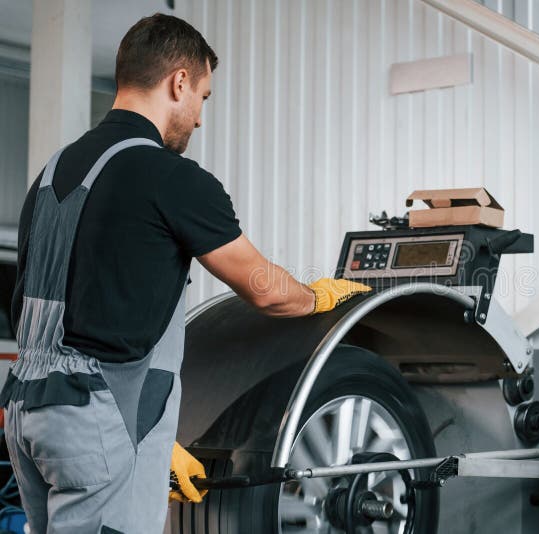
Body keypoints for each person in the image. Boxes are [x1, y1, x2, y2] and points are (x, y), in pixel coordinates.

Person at [2, 13, 369, 534]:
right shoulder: (170, 177)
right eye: (203, 96)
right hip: (95, 425)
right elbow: (263, 289)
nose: (198, 118)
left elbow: (68, 308)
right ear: (178, 82)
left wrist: (153, 438)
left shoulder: (54, 172)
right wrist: (315, 297)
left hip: (29, 415)